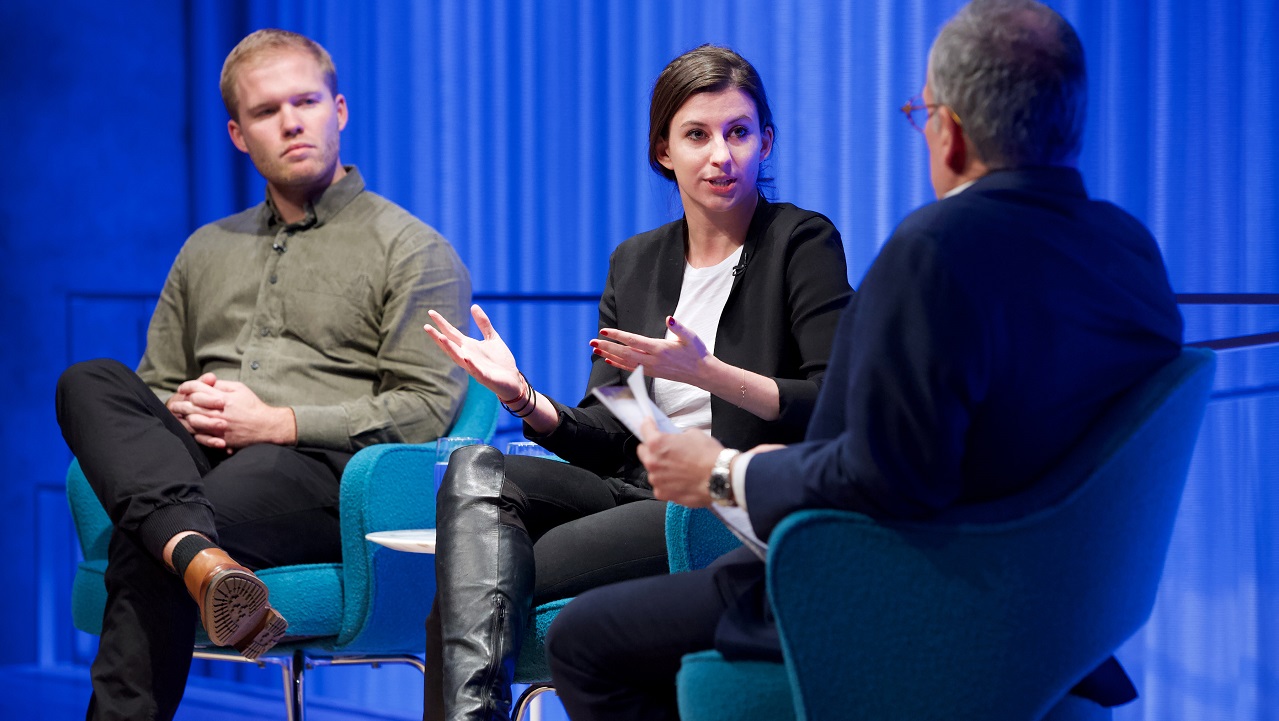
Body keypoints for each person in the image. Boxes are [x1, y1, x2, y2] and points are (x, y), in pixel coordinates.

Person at [544, 1, 1187, 718]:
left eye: (922, 113)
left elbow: (886, 477)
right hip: (1063, 613)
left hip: (916, 592)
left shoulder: (936, 250)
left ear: (949, 132)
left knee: (582, 639)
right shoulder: (1130, 250)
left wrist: (720, 472)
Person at [421, 45, 853, 720]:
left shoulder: (800, 242)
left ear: (765, 141)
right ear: (663, 151)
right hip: (630, 485)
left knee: (462, 586)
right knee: (478, 467)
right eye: (697, 135)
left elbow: (832, 403)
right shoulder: (635, 261)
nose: (721, 155)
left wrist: (707, 373)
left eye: (739, 133)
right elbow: (606, 429)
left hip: (716, 494)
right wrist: (520, 396)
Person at [54, 29, 470, 721]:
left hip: (317, 470)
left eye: (305, 101)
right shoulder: (205, 247)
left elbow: (427, 406)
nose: (291, 121)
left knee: (146, 535)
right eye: (267, 111)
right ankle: (201, 557)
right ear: (239, 134)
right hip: (196, 456)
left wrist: (278, 422)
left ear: (338, 109)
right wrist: (181, 409)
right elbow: (153, 381)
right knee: (88, 379)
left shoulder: (412, 249)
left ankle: (185, 548)